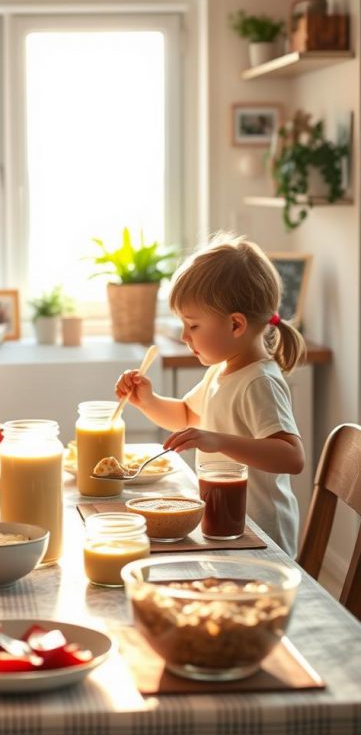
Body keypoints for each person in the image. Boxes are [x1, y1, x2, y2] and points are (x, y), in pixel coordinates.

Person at [115, 233, 306, 555]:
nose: (184, 336)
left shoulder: (258, 381)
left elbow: (291, 456)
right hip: (228, 525)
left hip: (260, 537)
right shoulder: (222, 371)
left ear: (235, 325)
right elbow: (187, 416)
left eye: (193, 325)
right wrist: (148, 400)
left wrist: (218, 441)